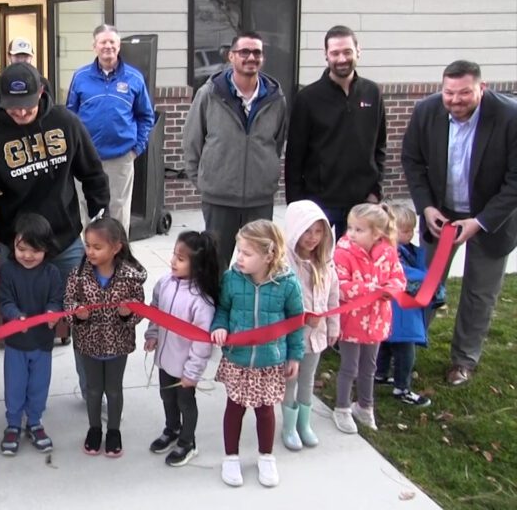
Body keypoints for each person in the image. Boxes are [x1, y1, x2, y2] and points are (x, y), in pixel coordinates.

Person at [0, 61, 111, 402]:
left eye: (28, 105)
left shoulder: (65, 122)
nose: (20, 113)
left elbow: (92, 173)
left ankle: (93, 390)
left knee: (85, 315)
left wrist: (100, 218)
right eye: (13, 107)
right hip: (17, 246)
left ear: (42, 93)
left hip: (64, 239)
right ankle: (22, 398)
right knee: (21, 324)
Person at [401, 59, 517, 386]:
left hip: (492, 219)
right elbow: (412, 160)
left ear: (482, 88)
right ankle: (407, 346)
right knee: (424, 283)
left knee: (479, 294)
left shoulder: (509, 117)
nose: (455, 100)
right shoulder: (426, 111)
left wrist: (480, 221)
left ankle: (463, 359)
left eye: (464, 92)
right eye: (449, 93)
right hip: (441, 216)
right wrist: (426, 207)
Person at [182, 31, 289, 269]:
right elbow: (192, 141)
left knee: (259, 266)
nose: (251, 57)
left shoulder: (275, 98)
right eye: (244, 52)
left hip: (259, 199)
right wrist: (204, 182)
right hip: (219, 198)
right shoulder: (210, 94)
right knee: (215, 267)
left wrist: (266, 176)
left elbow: (277, 142)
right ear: (231, 56)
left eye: (257, 52)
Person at [211, 220, 304, 488]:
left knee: (265, 411)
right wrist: (219, 326)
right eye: (239, 251)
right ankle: (231, 457)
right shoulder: (231, 279)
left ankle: (266, 457)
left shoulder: (288, 284)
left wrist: (294, 355)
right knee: (234, 409)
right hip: (238, 358)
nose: (239, 257)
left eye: (247, 253)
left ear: (268, 255)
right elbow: (223, 309)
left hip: (269, 361)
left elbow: (296, 322)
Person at [285, 25, 386, 239]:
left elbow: (380, 147)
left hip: (362, 204)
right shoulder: (307, 99)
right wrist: (297, 208)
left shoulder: (373, 93)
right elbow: (294, 160)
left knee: (358, 260)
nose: (341, 59)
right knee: (319, 260)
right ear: (326, 55)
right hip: (320, 205)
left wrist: (375, 192)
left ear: (358, 51)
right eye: (335, 53)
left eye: (347, 52)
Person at [64, 216, 147, 458]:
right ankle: (94, 429)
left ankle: (113, 431)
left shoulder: (130, 278)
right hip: (87, 344)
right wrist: (77, 313)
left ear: (116, 248)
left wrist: (127, 314)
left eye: (97, 247)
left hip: (117, 345)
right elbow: (68, 303)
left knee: (113, 390)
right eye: (88, 245)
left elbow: (140, 309)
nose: (90, 251)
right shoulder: (78, 275)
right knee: (93, 390)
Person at [66, 24, 155, 231]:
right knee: (85, 209)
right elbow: (70, 117)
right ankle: (89, 249)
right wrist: (74, 150)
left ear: (119, 45)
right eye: (103, 42)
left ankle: (118, 250)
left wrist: (136, 150)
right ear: (94, 46)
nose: (108, 46)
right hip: (85, 158)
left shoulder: (134, 78)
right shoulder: (80, 77)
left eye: (112, 41)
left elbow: (146, 116)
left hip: (120, 158)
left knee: (118, 211)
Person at [144, 230, 220, 467]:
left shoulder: (201, 301)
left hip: (185, 367)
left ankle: (188, 442)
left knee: (185, 403)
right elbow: (155, 310)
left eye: (181, 258)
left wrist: (192, 372)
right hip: (165, 360)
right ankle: (172, 429)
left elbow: (202, 342)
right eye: (174, 254)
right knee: (167, 397)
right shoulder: (164, 283)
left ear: (197, 265)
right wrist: (152, 334)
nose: (173, 261)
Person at [332, 204, 406, 434]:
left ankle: (365, 405)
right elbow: (340, 286)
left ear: (377, 233)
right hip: (350, 321)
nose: (351, 234)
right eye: (350, 227)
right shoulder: (342, 252)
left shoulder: (388, 252)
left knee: (369, 367)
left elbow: (398, 278)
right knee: (349, 367)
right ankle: (342, 407)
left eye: (359, 229)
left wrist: (391, 289)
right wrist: (373, 289)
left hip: (376, 320)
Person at [0, 213, 64, 456]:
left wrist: (53, 313)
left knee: (39, 386)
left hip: (42, 343)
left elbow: (56, 300)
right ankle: (13, 424)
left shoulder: (52, 273)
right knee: (14, 387)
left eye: (34, 250)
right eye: (21, 248)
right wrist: (15, 316)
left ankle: (35, 422)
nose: (27, 255)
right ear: (13, 244)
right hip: (16, 343)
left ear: (46, 248)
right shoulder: (7, 271)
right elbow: (5, 301)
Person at [281, 200, 340, 450]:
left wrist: (333, 326)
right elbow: (280, 301)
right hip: (292, 338)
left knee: (308, 379)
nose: (313, 237)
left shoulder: (326, 263)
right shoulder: (285, 266)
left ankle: (304, 424)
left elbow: (333, 296)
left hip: (317, 337)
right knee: (290, 380)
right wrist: (303, 316)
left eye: (318, 231)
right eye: (307, 231)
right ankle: (288, 426)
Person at [375, 205, 442, 407]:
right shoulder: (394, 254)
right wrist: (431, 281)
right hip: (402, 312)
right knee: (405, 351)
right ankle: (402, 388)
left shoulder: (396, 250)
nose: (410, 234)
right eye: (405, 230)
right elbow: (407, 275)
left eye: (412, 230)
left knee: (386, 344)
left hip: (393, 312)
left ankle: (380, 374)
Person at [0, 37, 53, 119]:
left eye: (25, 56)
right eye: (17, 56)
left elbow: (50, 112)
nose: (21, 60)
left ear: (31, 57)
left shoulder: (43, 83)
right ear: (9, 56)